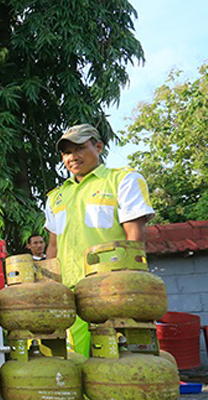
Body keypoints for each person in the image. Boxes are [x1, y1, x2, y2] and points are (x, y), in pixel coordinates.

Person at [44, 123, 155, 357]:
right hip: (71, 291)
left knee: (121, 361)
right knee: (78, 360)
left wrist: (130, 282)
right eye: (66, 152)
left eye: (79, 148)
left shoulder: (122, 180)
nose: (72, 157)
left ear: (98, 146)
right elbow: (53, 246)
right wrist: (51, 287)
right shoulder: (56, 196)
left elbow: (134, 236)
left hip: (112, 288)